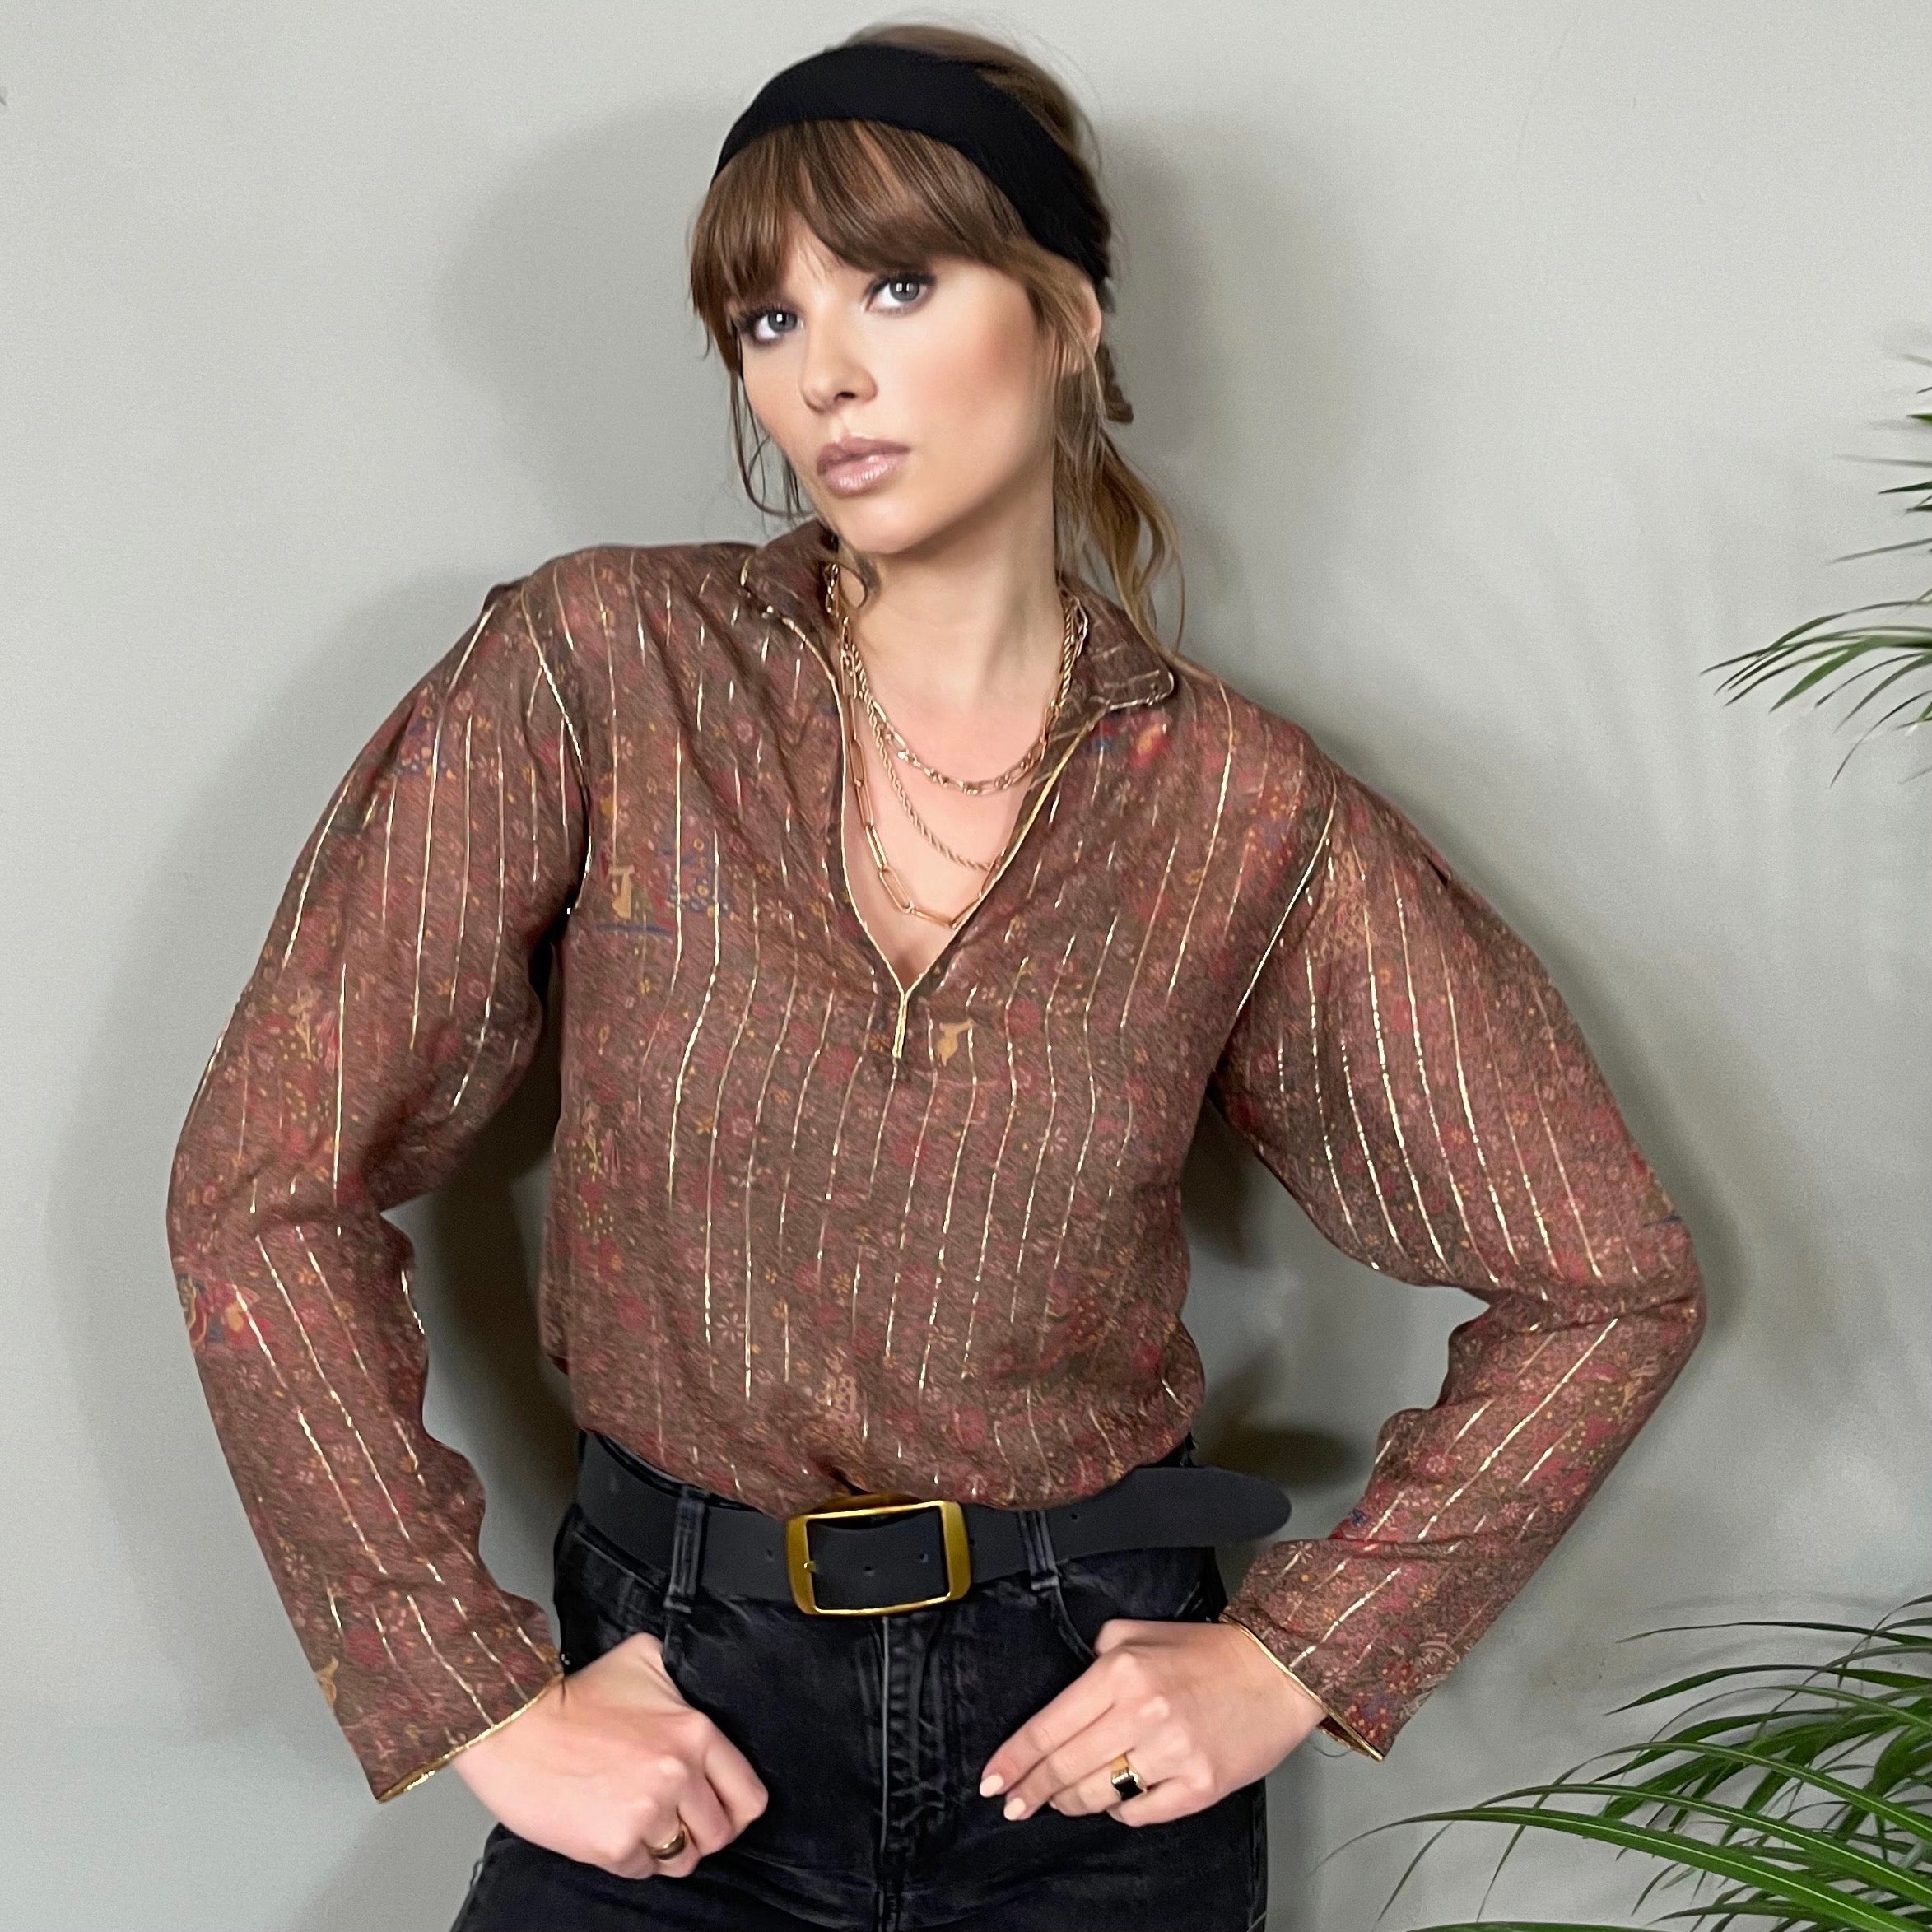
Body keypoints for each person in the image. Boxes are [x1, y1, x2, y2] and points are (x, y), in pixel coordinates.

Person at [164, 23, 1707, 1931]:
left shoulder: (1238, 809)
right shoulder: (601, 669)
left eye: (896, 285)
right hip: (680, 1711)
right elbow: (264, 1182)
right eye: (766, 317)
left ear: (1064, 315)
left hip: (1082, 1744)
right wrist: (474, 1696)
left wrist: (1301, 1655)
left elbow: (1603, 1276)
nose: (823, 370)